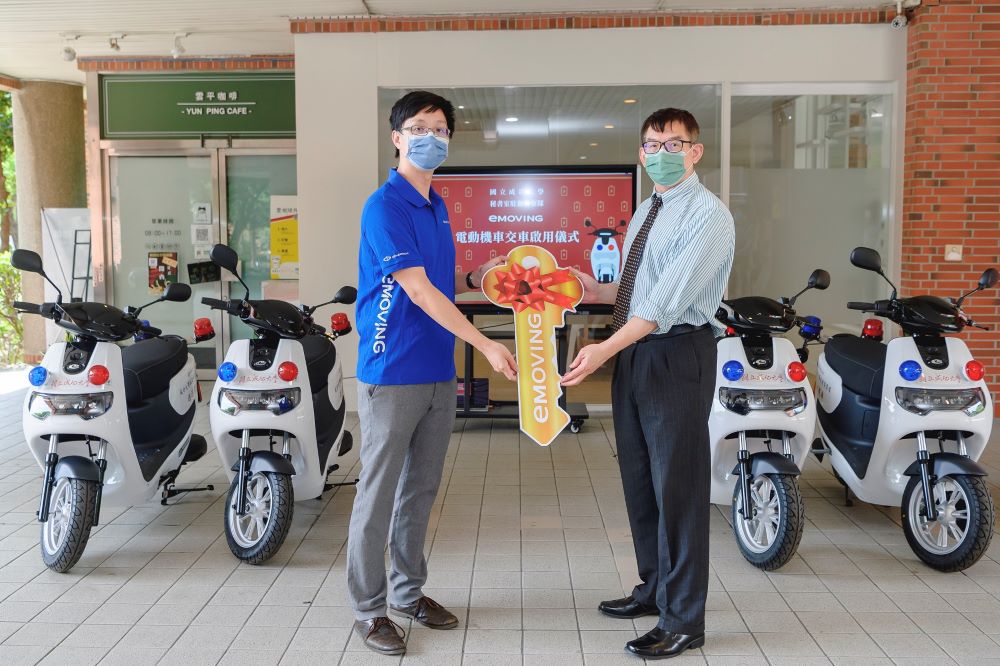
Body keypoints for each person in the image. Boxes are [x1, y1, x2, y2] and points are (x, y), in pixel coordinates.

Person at [561, 108, 735, 659]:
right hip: (637, 351)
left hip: (676, 353)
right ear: (641, 153)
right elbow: (637, 290)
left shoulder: (709, 216)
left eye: (674, 144)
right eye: (653, 145)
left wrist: (602, 350)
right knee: (640, 478)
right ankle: (654, 587)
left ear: (695, 152)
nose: (662, 153)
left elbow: (663, 306)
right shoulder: (646, 209)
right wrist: (589, 288)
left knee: (678, 487)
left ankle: (683, 618)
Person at [349, 90, 517, 656]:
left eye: (441, 129)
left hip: (437, 371)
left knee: (419, 491)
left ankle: (407, 593)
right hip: (392, 369)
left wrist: (480, 277)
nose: (431, 137)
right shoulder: (385, 206)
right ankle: (369, 609)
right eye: (419, 128)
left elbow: (441, 283)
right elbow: (417, 290)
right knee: (377, 495)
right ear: (396, 138)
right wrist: (486, 345)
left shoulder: (437, 204)